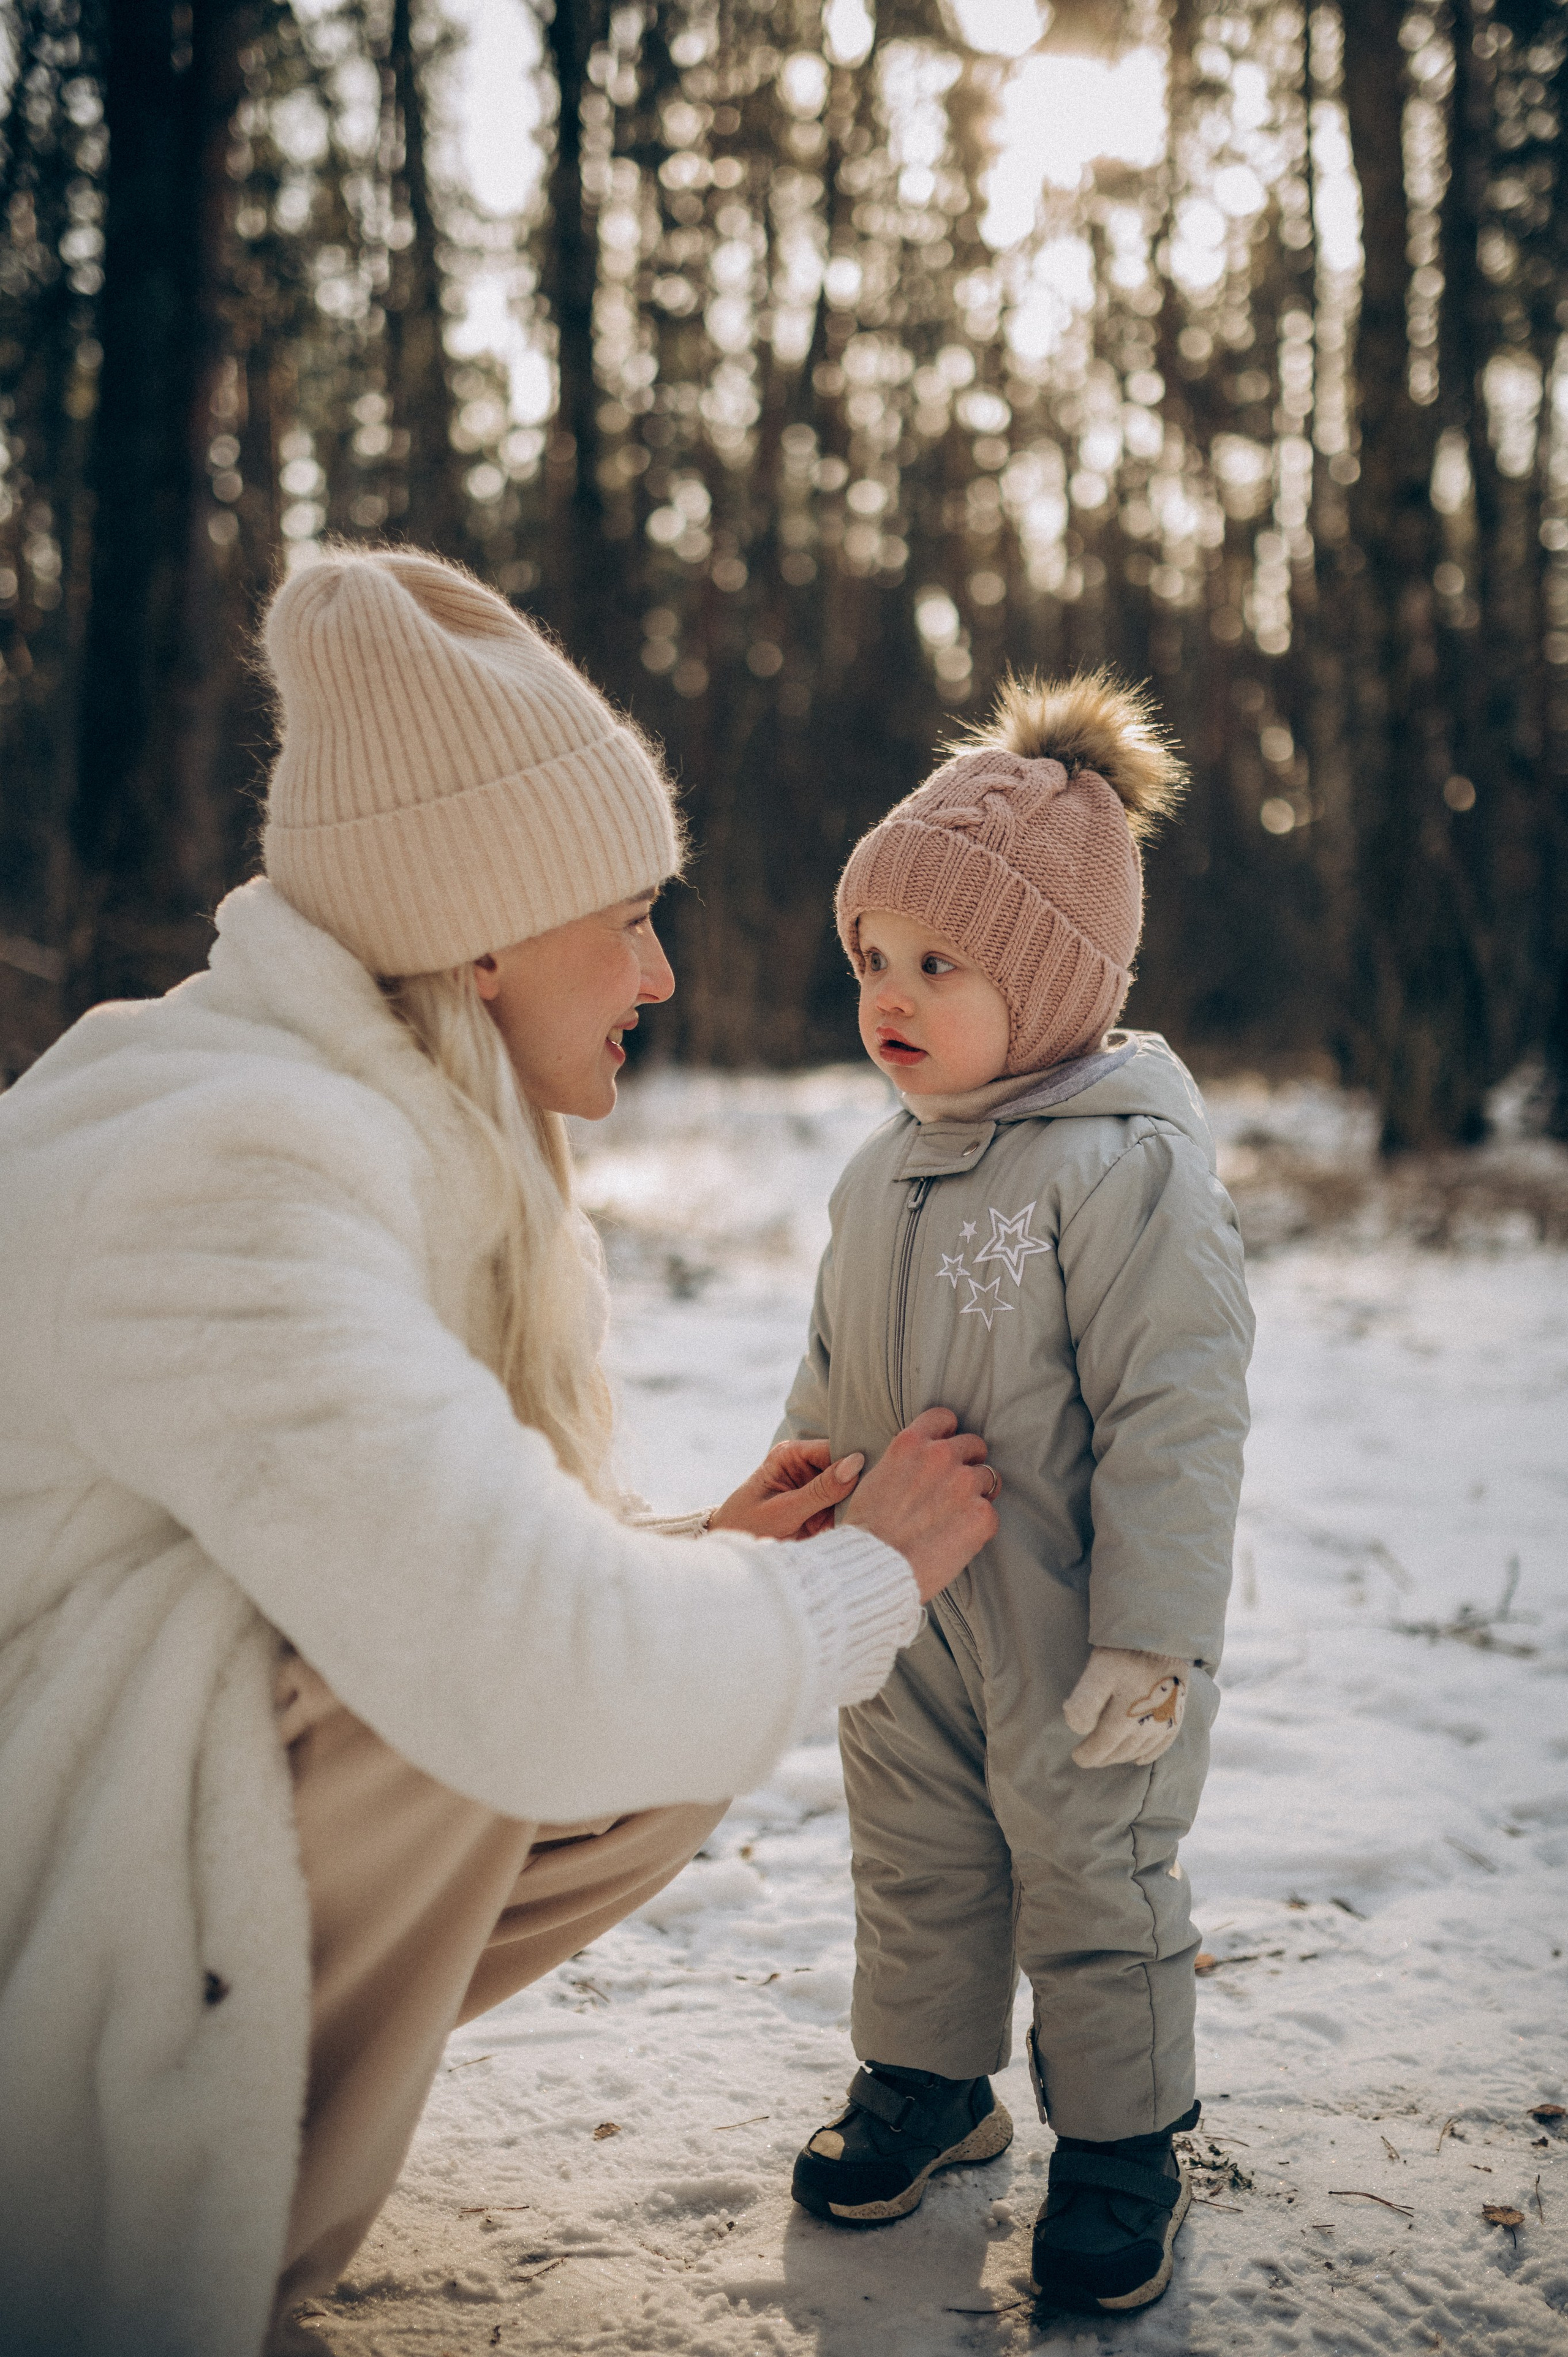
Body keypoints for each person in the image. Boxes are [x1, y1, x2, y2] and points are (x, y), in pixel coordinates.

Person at [0, 548, 1000, 2357]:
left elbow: (446, 1565)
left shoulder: (367, 1118)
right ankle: (116, 2226)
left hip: (59, 1812)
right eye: (623, 912)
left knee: (650, 1685)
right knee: (477, 1689)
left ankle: (216, 2126)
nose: (661, 968)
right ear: (477, 928)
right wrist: (872, 1577)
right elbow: (501, 1649)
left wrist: (700, 1555)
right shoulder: (233, 1168)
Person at [778, 673, 1254, 2315]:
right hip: (901, 1609)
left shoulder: (1125, 1167)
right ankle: (930, 2079)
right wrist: (796, 1501)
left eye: (939, 962)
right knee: (915, 1846)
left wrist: (1157, 1635)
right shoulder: (879, 1168)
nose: (889, 997)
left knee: (1096, 1867)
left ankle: (1127, 2139)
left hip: (1076, 1634)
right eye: (873, 960)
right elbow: (837, 1371)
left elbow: (1179, 1417)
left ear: (1051, 982)